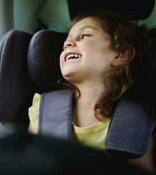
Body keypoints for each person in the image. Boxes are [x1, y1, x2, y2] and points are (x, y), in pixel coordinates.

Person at [28, 10, 155, 173]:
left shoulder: (137, 121)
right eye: (66, 42)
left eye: (84, 36)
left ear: (120, 54)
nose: (67, 44)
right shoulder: (42, 112)